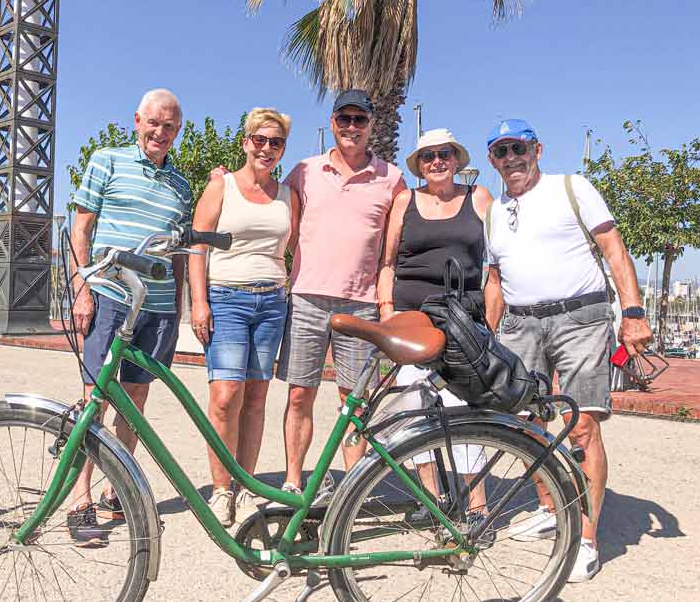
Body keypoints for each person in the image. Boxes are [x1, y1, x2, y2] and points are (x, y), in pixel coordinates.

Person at [483, 118, 653, 582]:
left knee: (581, 429)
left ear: (537, 149)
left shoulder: (571, 187)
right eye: (500, 152)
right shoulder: (496, 211)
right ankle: (548, 505)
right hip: (519, 323)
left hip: (580, 317)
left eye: (517, 148)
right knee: (523, 422)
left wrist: (633, 312)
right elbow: (495, 281)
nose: (510, 158)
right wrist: (486, 336)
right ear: (492, 161)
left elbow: (613, 248)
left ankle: (584, 537)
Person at [66, 88, 192, 543]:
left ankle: (115, 491)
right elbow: (80, 227)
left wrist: (177, 307)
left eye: (170, 126)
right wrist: (82, 287)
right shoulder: (107, 161)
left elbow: (177, 253)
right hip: (109, 297)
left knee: (135, 404)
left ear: (178, 131)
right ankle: (78, 498)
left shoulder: (181, 185)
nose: (161, 132)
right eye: (154, 122)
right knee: (94, 400)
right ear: (137, 120)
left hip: (156, 307)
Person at [278, 89, 407, 494]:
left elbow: (392, 253)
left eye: (360, 120)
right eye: (344, 119)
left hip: (360, 303)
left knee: (355, 401)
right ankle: (294, 481)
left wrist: (387, 303)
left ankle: (353, 489)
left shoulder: (393, 179)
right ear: (332, 123)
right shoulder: (304, 171)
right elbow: (270, 209)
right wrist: (224, 180)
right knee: (300, 394)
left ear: (372, 125)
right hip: (307, 298)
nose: (352, 127)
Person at [188, 108, 298, 527]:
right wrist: (200, 302)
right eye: (260, 139)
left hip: (272, 300)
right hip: (226, 299)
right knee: (224, 396)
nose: (266, 148)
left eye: (276, 142)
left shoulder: (289, 195)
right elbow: (198, 246)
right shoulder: (222, 186)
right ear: (245, 142)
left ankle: (247, 485)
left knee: (255, 397)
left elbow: (295, 248)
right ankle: (221, 489)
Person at [385, 128, 494, 515]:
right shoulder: (405, 201)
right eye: (428, 156)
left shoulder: (478, 198)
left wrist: (492, 324)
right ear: (420, 165)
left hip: (462, 317)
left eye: (444, 154)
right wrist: (386, 311)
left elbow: (495, 266)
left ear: (455, 158)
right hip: (411, 316)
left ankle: (477, 505)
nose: (437, 162)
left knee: (461, 407)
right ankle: (431, 499)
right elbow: (387, 262)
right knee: (413, 405)